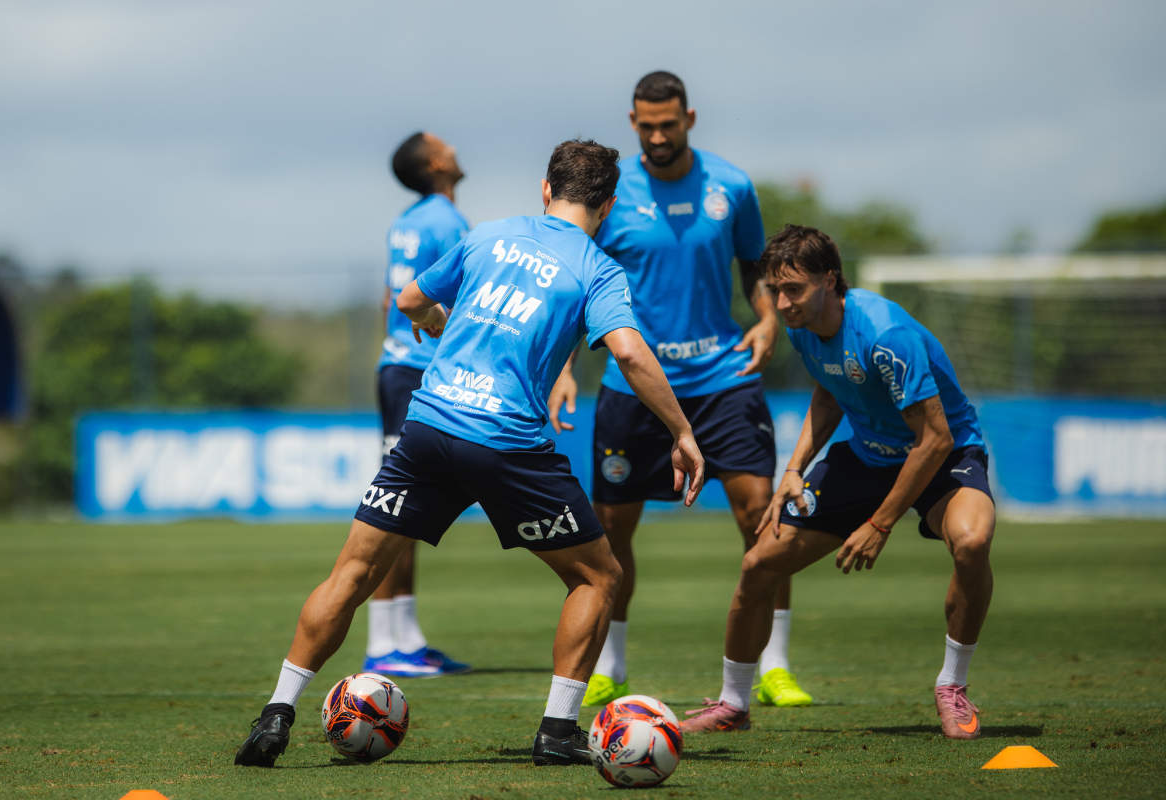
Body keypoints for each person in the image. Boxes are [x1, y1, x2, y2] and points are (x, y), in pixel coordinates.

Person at [234, 139, 704, 768]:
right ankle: (557, 731)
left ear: (545, 189)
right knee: (599, 576)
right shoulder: (598, 268)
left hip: (427, 428)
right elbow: (628, 352)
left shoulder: (489, 236)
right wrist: (682, 431)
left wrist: (435, 316)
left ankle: (275, 715)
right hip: (507, 444)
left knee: (350, 574)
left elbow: (406, 301)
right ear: (609, 205)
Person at [550, 70, 810, 709]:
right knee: (610, 533)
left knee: (761, 518)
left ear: (690, 118)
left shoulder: (732, 186)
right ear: (632, 122)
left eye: (669, 124)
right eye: (646, 126)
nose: (658, 136)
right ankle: (610, 665)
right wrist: (561, 367)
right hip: (632, 385)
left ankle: (771, 665)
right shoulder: (610, 196)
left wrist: (769, 317)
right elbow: (572, 279)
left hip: (723, 379)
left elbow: (757, 265)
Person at [678, 224, 994, 740]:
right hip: (866, 456)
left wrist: (880, 522)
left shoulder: (886, 336)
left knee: (972, 541)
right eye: (774, 291)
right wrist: (795, 468)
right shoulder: (802, 327)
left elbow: (933, 440)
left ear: (831, 280)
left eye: (793, 290)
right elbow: (829, 393)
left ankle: (952, 687)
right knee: (759, 563)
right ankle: (733, 703)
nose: (781, 304)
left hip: (944, 454)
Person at [363, 131, 471, 679]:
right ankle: (383, 642)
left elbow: (390, 297)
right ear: (435, 162)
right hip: (416, 371)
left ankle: (405, 636)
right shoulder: (448, 222)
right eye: (442, 142)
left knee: (408, 503)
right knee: (396, 506)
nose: (453, 145)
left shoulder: (407, 221)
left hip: (397, 368)